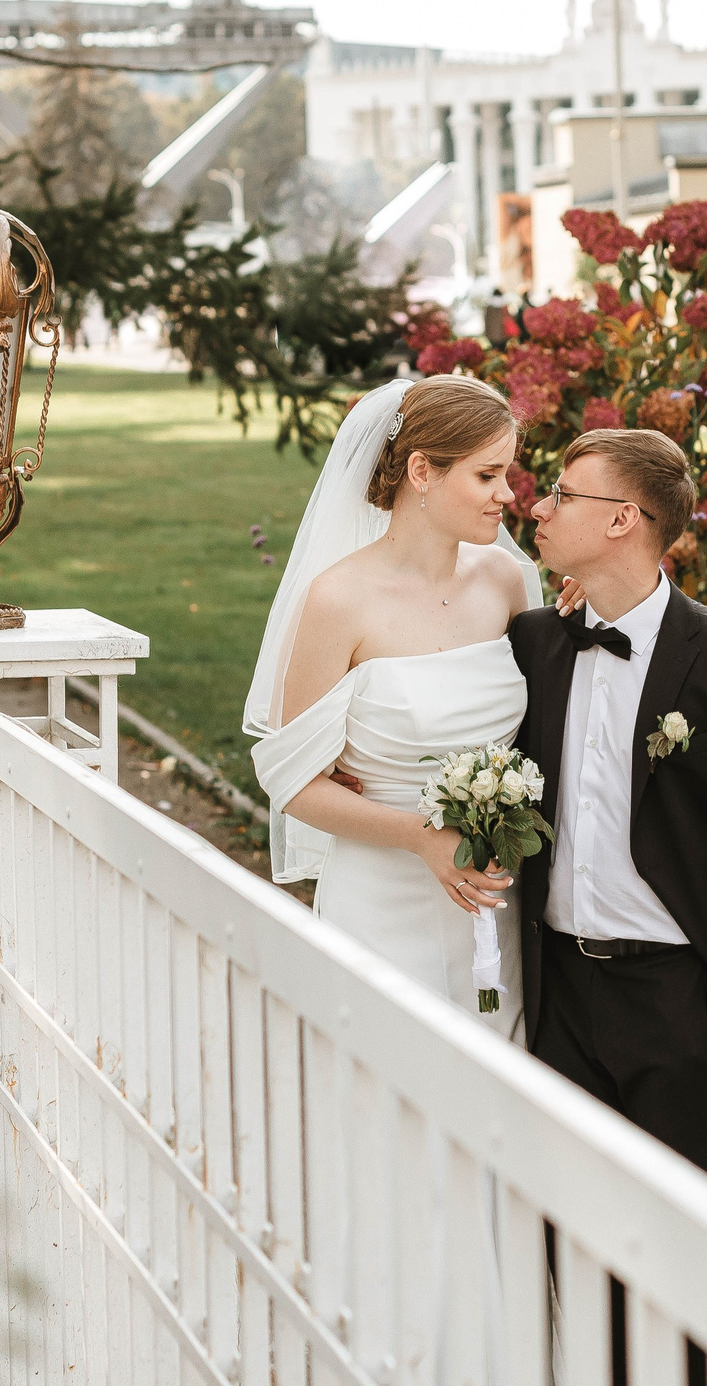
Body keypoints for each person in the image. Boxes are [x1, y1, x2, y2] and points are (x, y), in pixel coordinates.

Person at [510, 429, 707, 1184]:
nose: (539, 507)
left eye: (562, 493)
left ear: (622, 518)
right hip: (556, 995)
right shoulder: (532, 643)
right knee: (562, 1219)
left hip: (680, 1005)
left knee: (678, 1228)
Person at [243, 376, 540, 1034]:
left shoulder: (503, 580)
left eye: (507, 473)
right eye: (487, 474)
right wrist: (418, 835)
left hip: (492, 897)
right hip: (381, 899)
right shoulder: (339, 600)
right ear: (421, 471)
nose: (508, 494)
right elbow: (292, 781)